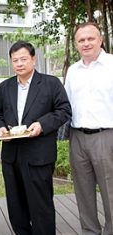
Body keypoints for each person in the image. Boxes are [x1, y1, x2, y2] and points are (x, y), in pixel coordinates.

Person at [0, 40, 71, 235]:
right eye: (15, 60)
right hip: (11, 156)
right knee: (16, 206)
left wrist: (42, 125)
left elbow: (64, 110)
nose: (19, 64)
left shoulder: (51, 83)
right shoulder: (5, 86)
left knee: (40, 206)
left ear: (33, 59)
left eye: (23, 59)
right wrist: (0, 129)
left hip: (39, 155)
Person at [65, 22, 113, 235]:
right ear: (76, 44)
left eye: (90, 38)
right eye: (81, 40)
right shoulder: (73, 71)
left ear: (100, 40)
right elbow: (65, 105)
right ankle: (90, 231)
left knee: (110, 191)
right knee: (83, 191)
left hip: (106, 137)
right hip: (77, 137)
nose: (86, 43)